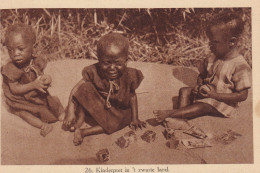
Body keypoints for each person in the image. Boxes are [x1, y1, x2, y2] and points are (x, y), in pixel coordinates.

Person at [154, 13, 251, 123]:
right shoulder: (212, 58)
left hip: (223, 103)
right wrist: (199, 85)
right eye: (210, 41)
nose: (210, 45)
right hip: (207, 93)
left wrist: (214, 95)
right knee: (184, 91)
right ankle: (181, 118)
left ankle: (171, 113)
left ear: (232, 42)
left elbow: (242, 96)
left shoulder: (240, 66)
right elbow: (202, 75)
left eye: (215, 42)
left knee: (205, 105)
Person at [63, 33, 146, 145]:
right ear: (99, 59)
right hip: (98, 103)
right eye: (106, 62)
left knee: (124, 120)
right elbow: (76, 89)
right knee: (85, 88)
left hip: (117, 109)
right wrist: (70, 112)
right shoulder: (93, 71)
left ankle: (83, 132)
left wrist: (135, 119)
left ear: (126, 61)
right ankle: (80, 119)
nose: (112, 68)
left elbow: (132, 96)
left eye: (118, 63)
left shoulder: (130, 76)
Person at [1, 24, 64, 137]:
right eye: (10, 50)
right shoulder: (11, 68)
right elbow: (14, 89)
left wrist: (47, 79)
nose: (15, 54)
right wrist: (34, 85)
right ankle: (42, 125)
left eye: (20, 49)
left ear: (32, 47)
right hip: (19, 100)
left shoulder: (36, 61)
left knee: (53, 101)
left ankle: (62, 115)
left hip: (35, 95)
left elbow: (41, 75)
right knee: (24, 114)